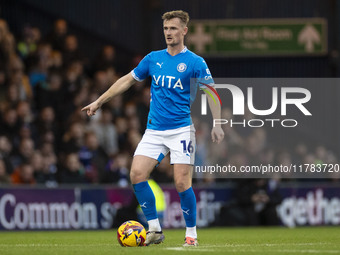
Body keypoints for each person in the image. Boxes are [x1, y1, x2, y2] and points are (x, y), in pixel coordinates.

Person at [82, 10, 224, 246]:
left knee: (181, 183)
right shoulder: (153, 58)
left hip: (181, 130)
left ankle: (191, 234)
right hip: (155, 130)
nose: (168, 33)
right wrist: (99, 100)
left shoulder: (195, 63)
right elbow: (127, 80)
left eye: (173, 28)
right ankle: (155, 229)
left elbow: (211, 93)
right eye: (166, 29)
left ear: (184, 31)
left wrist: (218, 123)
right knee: (136, 174)